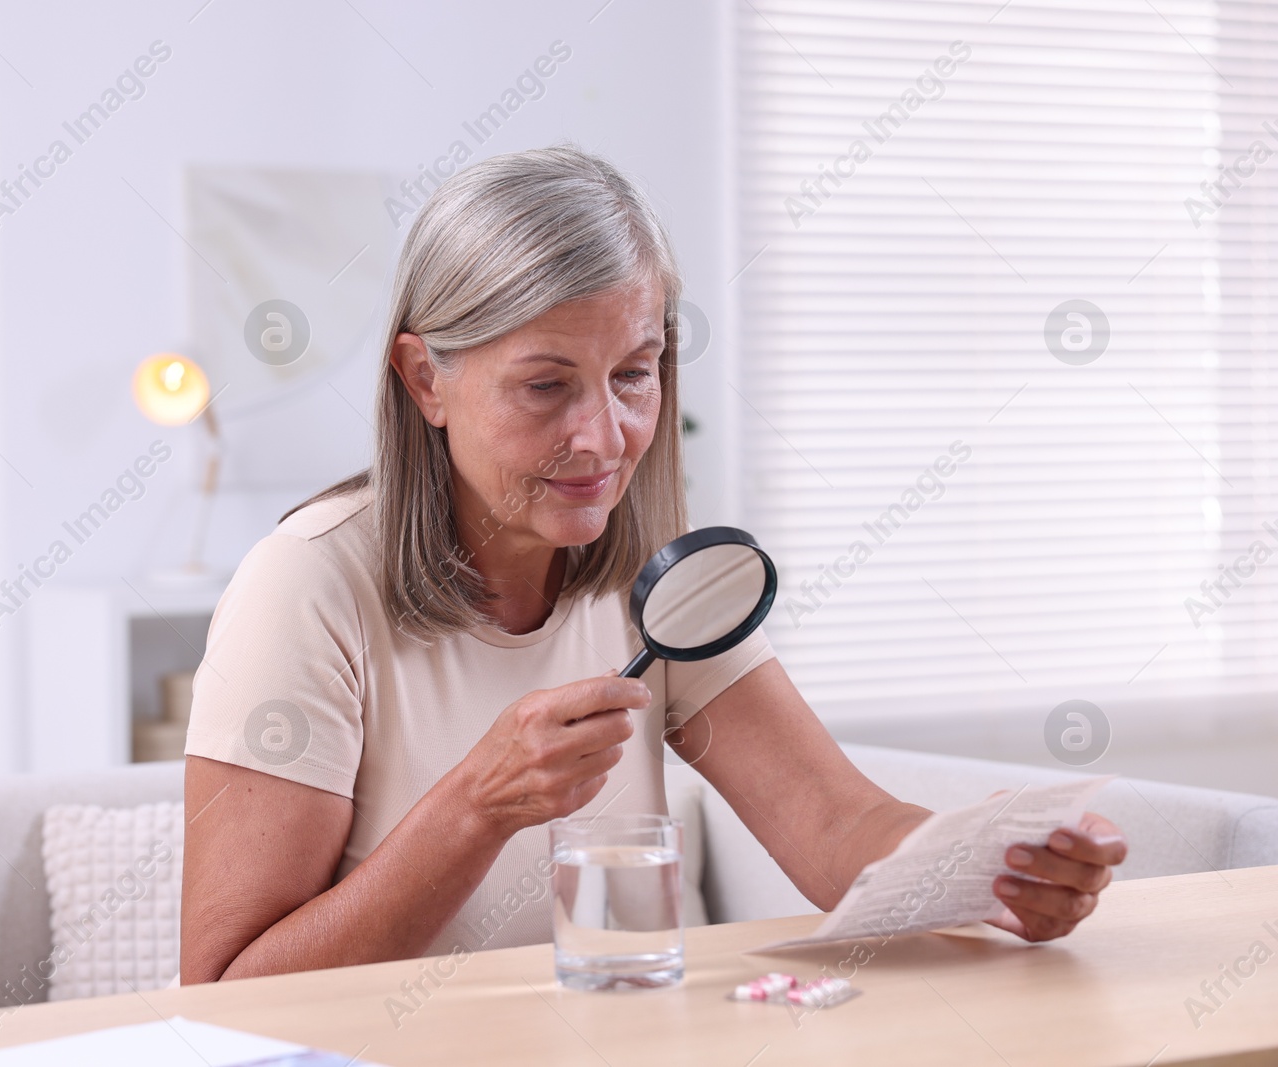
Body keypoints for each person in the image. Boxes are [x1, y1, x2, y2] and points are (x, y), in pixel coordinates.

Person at [178, 145, 1127, 983]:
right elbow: (225, 993)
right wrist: (476, 803)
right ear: (427, 379)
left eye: (635, 374)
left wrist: (992, 868)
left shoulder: (662, 583)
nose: (604, 436)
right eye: (546, 385)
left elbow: (838, 829)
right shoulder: (304, 587)